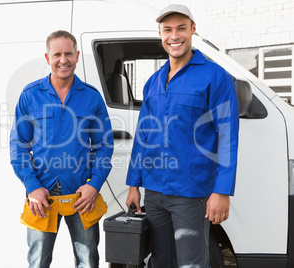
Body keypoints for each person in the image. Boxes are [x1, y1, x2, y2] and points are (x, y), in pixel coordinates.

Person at [125, 4, 239, 268]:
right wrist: (134, 184)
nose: (174, 36)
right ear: (160, 34)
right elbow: (143, 135)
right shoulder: (153, 81)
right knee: (161, 261)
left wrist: (222, 190)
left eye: (181, 28)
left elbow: (228, 136)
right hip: (154, 192)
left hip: (191, 192)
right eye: (167, 30)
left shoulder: (215, 76)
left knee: (192, 263)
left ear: (193, 30)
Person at [10, 30, 114, 268]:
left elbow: (104, 146)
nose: (63, 59)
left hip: (81, 196)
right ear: (48, 58)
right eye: (57, 54)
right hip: (41, 198)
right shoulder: (30, 96)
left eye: (68, 53)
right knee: (38, 262)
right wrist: (32, 187)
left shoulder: (92, 98)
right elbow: (18, 147)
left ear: (77, 56)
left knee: (88, 261)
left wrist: (93, 186)